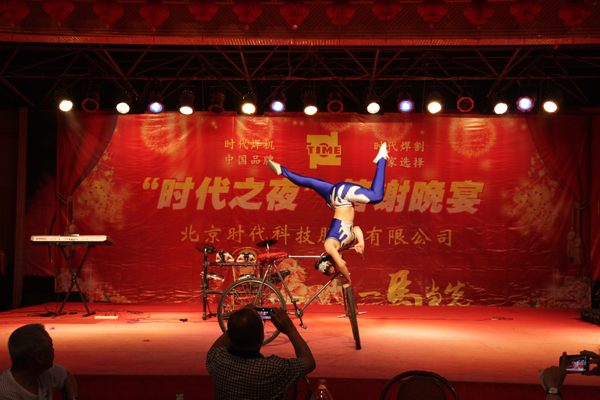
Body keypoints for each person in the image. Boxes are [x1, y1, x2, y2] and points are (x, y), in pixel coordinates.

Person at [267, 142, 389, 288]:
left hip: (342, 197)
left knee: (376, 196)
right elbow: (356, 230)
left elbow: (342, 265)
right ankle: (282, 170)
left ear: (331, 261)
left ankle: (381, 159)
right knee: (310, 183)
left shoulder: (329, 245)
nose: (339, 266)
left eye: (335, 267)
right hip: (333, 199)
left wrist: (349, 281)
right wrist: (361, 242)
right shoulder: (343, 244)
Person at [206, 306, 316, 400]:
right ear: (261, 337)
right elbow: (309, 362)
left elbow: (216, 347)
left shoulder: (217, 359)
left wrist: (240, 321)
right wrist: (290, 329)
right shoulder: (274, 369)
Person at [0, 324, 78, 400]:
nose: (53, 350)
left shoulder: (43, 371)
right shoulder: (6, 394)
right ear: (39, 357)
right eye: (51, 346)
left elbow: (66, 376)